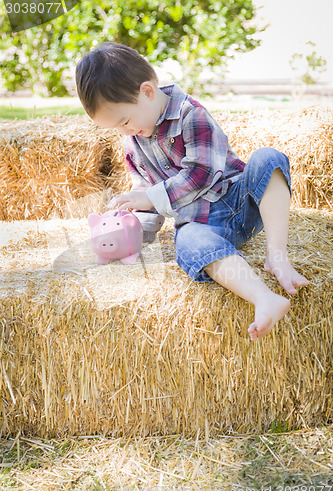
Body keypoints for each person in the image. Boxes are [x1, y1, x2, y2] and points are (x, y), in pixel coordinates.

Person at [75, 42, 309, 341]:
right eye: (116, 128)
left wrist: (150, 197)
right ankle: (263, 298)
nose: (124, 132)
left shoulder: (191, 115)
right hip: (202, 224)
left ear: (147, 92)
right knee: (188, 241)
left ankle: (277, 256)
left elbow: (202, 174)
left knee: (268, 158)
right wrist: (131, 234)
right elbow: (144, 192)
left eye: (125, 121)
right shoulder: (133, 143)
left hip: (239, 200)